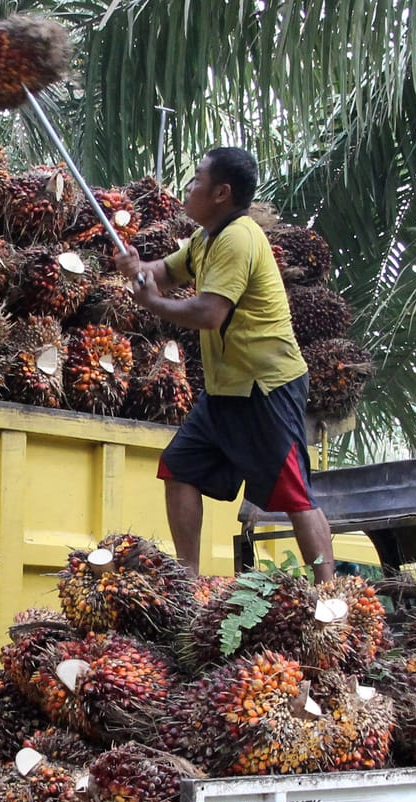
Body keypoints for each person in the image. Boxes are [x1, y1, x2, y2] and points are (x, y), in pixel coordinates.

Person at [115, 146, 336, 583]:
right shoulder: (206, 239)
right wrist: (137, 267)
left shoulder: (238, 238)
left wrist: (153, 303)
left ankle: (330, 596)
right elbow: (165, 271)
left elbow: (210, 312)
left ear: (221, 193)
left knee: (294, 495)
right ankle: (188, 581)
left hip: (266, 386)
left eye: (197, 179)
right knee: (179, 468)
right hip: (225, 391)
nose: (189, 186)